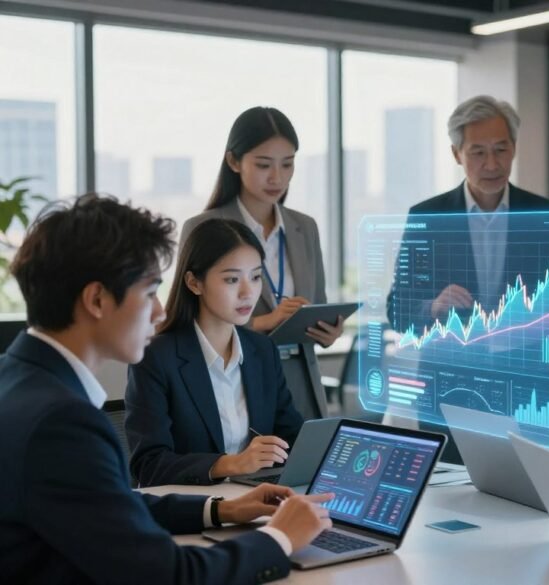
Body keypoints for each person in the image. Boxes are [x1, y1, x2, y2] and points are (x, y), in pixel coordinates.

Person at [0, 194, 331, 583]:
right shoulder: (62, 422)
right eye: (149, 290)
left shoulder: (18, 379)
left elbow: (112, 509)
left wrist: (223, 509)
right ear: (96, 299)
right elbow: (169, 576)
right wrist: (279, 538)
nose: (159, 312)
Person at [385, 95, 549, 463]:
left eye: (501, 150)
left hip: (527, 388)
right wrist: (433, 306)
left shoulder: (545, 215)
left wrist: (539, 315)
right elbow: (397, 308)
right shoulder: (427, 217)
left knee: (537, 502)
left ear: (514, 148)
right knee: (454, 505)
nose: (492, 164)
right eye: (478, 152)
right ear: (456, 154)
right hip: (450, 391)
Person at [126, 218, 305, 487]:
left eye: (256, 277)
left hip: (257, 498)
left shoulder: (262, 350)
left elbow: (292, 437)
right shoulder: (157, 357)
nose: (248, 292)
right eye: (232, 279)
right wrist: (232, 463)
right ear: (194, 283)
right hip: (192, 508)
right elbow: (149, 465)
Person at [180, 106, 341, 346]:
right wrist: (263, 322)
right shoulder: (202, 228)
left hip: (299, 378)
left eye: (287, 164)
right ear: (234, 161)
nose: (277, 177)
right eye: (264, 165)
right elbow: (188, 320)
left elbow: (317, 304)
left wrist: (328, 332)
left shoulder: (305, 228)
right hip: (235, 375)